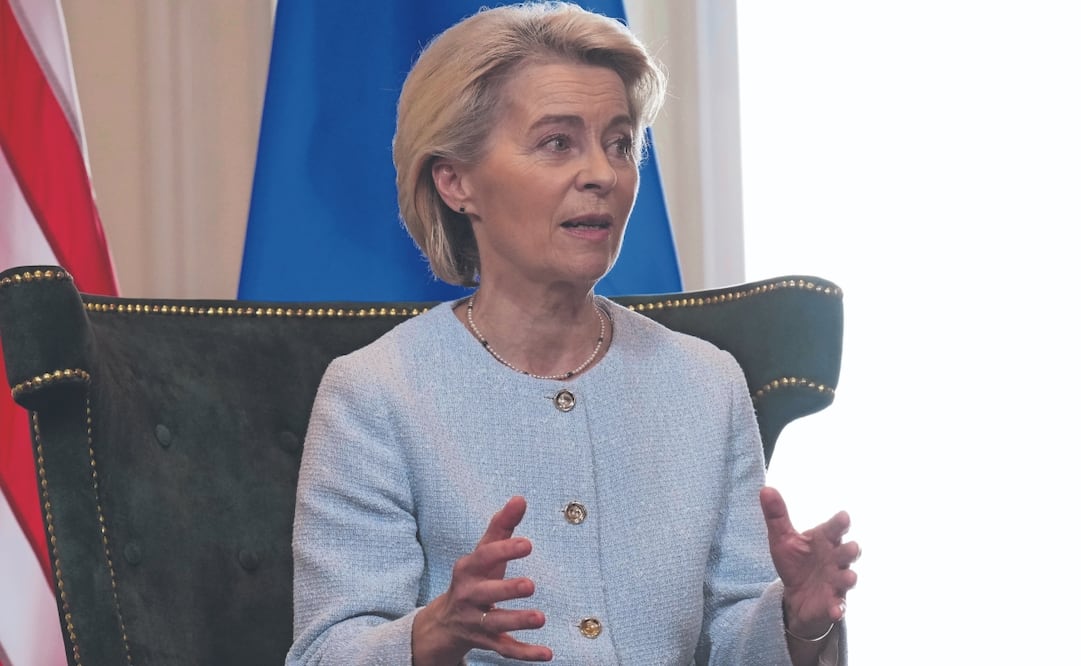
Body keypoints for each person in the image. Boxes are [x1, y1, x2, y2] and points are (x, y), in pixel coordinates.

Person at [286, 2, 859, 664]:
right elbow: (326, 653)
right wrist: (433, 632)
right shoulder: (374, 394)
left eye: (618, 143)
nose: (602, 174)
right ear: (455, 181)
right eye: (557, 142)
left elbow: (732, 637)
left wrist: (799, 619)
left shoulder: (706, 382)